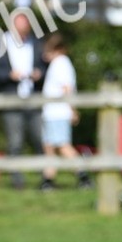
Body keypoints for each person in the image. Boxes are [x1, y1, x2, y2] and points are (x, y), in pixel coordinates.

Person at [0, 12, 45, 188]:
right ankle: (16, 179)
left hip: (33, 97)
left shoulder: (36, 44)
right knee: (15, 141)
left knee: (40, 138)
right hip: (11, 98)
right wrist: (8, 76)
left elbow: (45, 66)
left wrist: (39, 74)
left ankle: (46, 177)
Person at [38, 35, 90, 191]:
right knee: (49, 147)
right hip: (50, 112)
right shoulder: (56, 63)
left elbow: (67, 88)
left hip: (58, 112)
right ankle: (48, 180)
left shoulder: (62, 63)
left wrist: (72, 109)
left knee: (63, 146)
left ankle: (83, 176)